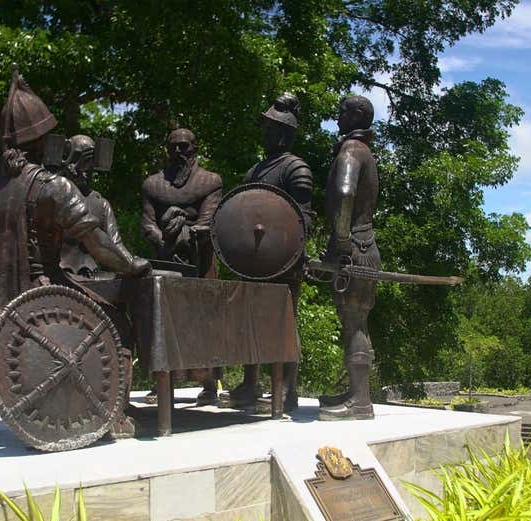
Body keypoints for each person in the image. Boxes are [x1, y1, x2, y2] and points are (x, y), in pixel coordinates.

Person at [0, 66, 151, 439]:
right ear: (41, 142)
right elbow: (98, 243)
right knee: (118, 322)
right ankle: (112, 414)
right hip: (36, 295)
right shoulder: (52, 187)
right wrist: (133, 264)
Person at [225, 92, 313, 412]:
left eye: (271, 128)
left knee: (283, 322)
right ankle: (251, 382)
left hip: (283, 261)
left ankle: (287, 389)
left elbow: (303, 218)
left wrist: (285, 250)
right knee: (250, 321)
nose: (265, 132)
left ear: (284, 133)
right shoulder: (255, 171)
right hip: (254, 261)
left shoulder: (295, 169)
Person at [141, 128, 223, 404]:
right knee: (163, 322)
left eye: (184, 146)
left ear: (194, 148)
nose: (178, 152)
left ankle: (209, 383)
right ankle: (163, 382)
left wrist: (184, 235)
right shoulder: (152, 184)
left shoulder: (210, 181)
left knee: (205, 322)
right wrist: (165, 240)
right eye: (173, 147)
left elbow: (207, 222)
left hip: (201, 262)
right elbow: (147, 223)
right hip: (164, 259)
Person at [318, 95, 380, 420]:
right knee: (353, 322)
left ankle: (360, 401)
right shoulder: (362, 150)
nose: (337, 115)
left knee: (355, 321)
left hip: (355, 247)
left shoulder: (352, 150)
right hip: (361, 246)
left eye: (342, 111)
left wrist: (341, 240)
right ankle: (357, 392)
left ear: (356, 116)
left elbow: (345, 193)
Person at [59, 134, 132, 280]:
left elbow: (116, 244)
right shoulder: (55, 196)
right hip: (59, 272)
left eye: (89, 167)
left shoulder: (101, 203)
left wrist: (132, 264)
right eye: (80, 163)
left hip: (92, 274)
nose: (85, 172)